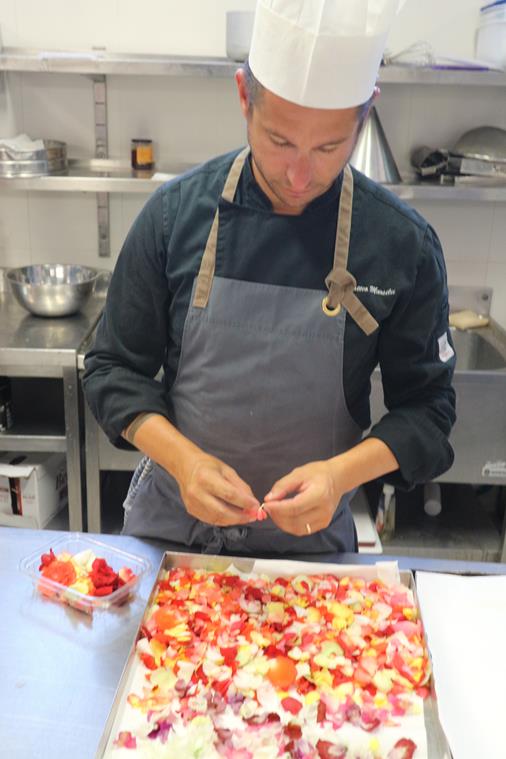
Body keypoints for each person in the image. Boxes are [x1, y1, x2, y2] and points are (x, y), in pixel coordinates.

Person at [83, 0, 456, 556]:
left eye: (329, 147)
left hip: (310, 554)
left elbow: (428, 411)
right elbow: (112, 369)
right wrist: (185, 464)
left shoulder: (401, 245)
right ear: (243, 97)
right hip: (171, 537)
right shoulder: (174, 217)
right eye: (280, 141)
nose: (300, 175)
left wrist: (340, 476)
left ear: (365, 115)